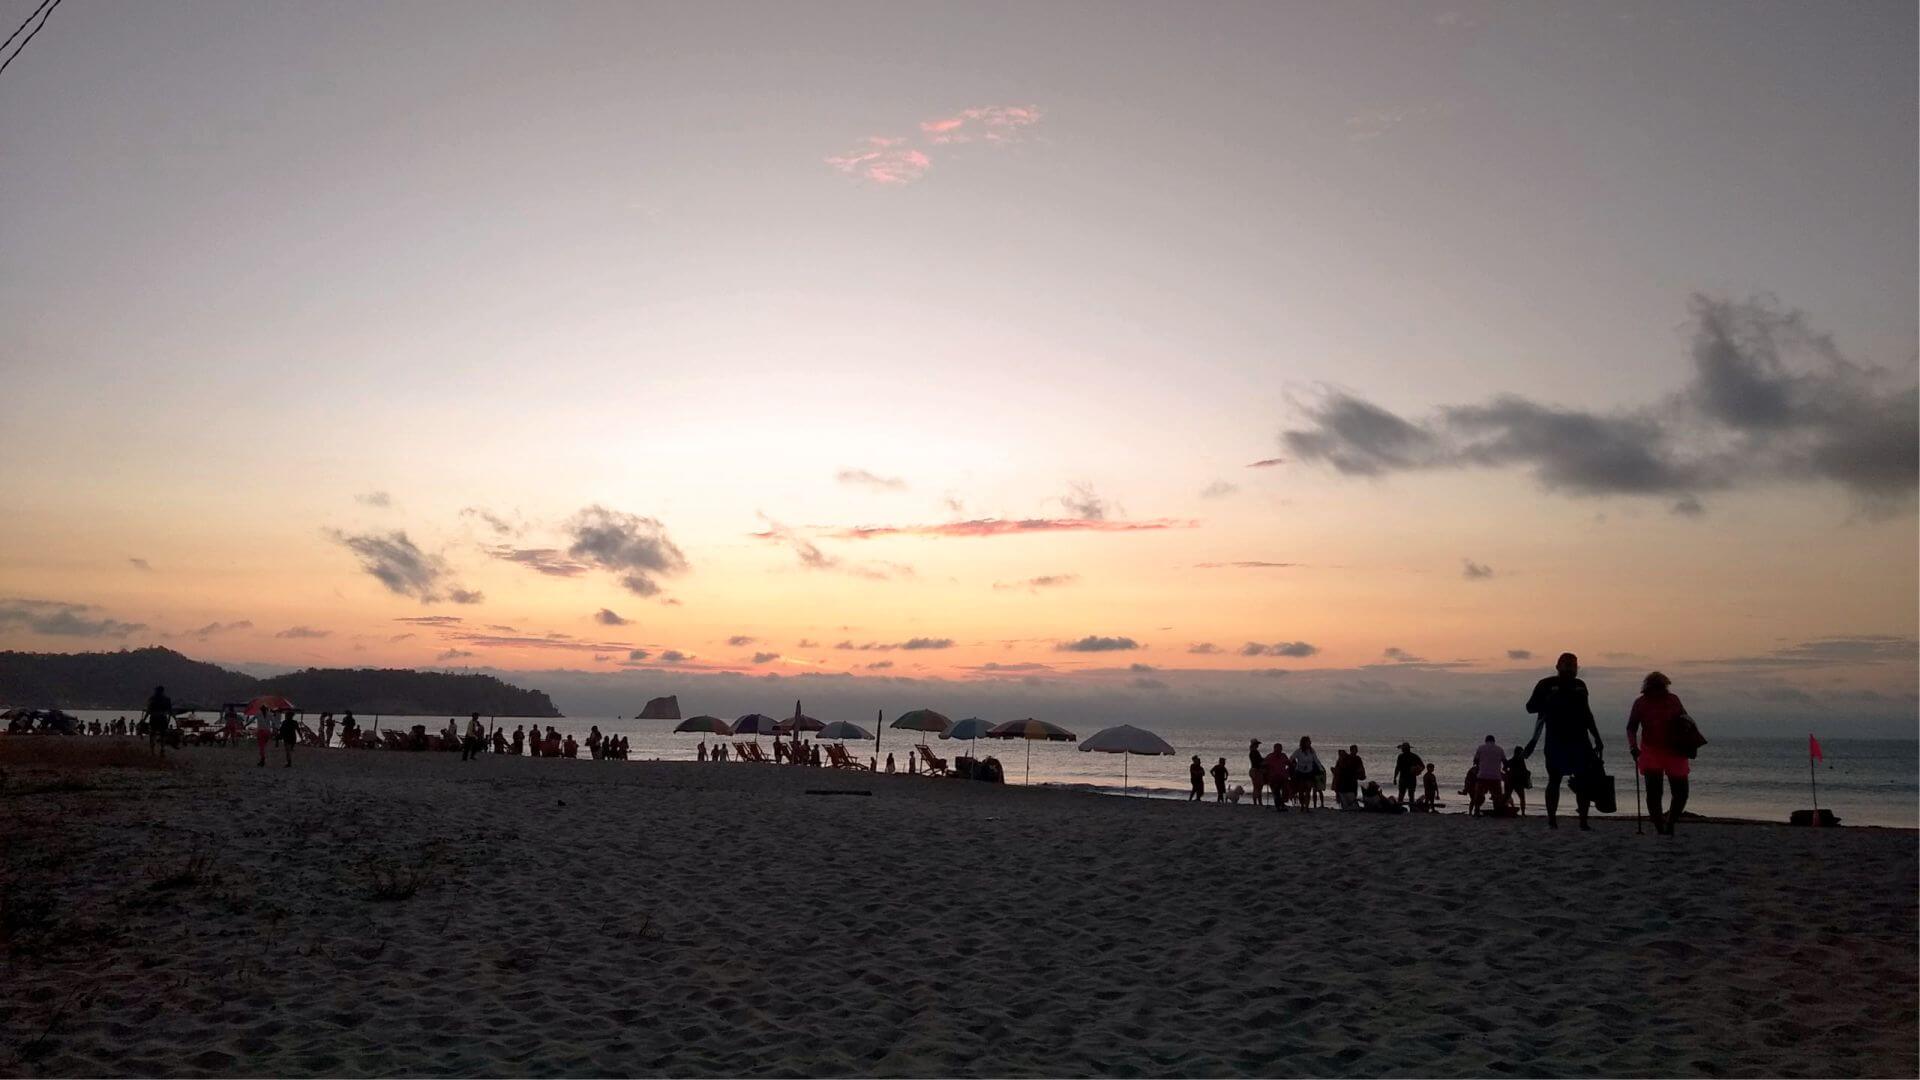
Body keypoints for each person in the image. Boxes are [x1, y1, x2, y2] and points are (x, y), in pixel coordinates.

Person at [1524, 652, 1605, 831]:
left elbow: (1587, 713)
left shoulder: (1580, 686)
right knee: (1554, 780)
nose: (1571, 668)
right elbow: (1530, 707)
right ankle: (1552, 821)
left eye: (1574, 665)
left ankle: (1583, 821)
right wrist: (1548, 701)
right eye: (1567, 664)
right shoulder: (1546, 684)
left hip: (1580, 740)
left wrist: (1597, 738)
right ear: (1558, 666)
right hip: (1556, 741)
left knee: (1583, 781)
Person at [1627, 671, 1694, 836]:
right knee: (1654, 793)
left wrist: (1687, 730)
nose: (1660, 690)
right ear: (1648, 688)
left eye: (1662, 687)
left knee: (1681, 792)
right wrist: (1633, 746)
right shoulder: (1641, 703)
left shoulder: (1673, 700)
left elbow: (1685, 719)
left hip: (1674, 750)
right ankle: (1659, 828)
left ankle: (1670, 822)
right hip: (1650, 750)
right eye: (1656, 687)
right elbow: (1631, 727)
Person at [1471, 735, 1508, 815]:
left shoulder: (1481, 748)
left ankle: (1476, 810)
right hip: (1496, 776)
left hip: (1482, 775)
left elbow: (1475, 761)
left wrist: (1478, 768)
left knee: (1479, 794)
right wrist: (1505, 770)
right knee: (1497, 796)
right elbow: (1505, 762)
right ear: (1494, 741)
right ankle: (1497, 810)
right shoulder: (1500, 749)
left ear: (1486, 741)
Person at [1289, 737, 1321, 812]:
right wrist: (1290, 765)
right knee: (1300, 791)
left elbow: (1316, 760)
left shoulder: (1312, 751)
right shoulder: (1298, 751)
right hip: (1300, 772)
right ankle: (1302, 806)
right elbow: (1291, 758)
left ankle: (1306, 807)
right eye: (1308, 742)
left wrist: (1320, 768)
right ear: (1304, 743)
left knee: (1308, 791)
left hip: (1309, 772)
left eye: (1310, 742)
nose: (1310, 743)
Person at [143, 685, 173, 756]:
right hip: (163, 718)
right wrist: (169, 720)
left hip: (154, 718)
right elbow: (170, 711)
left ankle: (153, 751)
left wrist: (144, 719)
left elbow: (148, 710)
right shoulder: (167, 699)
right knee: (162, 735)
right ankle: (162, 750)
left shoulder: (152, 699)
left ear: (156, 691)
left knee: (152, 734)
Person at [1264, 743, 1292, 812]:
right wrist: (1266, 773)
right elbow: (1263, 764)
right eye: (1277, 749)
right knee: (1276, 792)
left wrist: (1288, 771)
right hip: (1273, 778)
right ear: (1274, 749)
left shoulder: (1283, 756)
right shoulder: (1270, 756)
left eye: (1280, 749)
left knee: (1286, 791)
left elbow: (1289, 763)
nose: (1278, 750)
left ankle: (1282, 804)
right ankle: (1279, 807)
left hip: (1283, 777)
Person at [1506, 745, 1532, 815]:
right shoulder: (1521, 761)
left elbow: (1504, 768)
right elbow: (1524, 770)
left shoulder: (1511, 760)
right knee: (1522, 798)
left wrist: (1508, 773)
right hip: (1518, 782)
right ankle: (1523, 813)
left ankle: (1505, 808)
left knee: (1507, 796)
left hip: (1511, 781)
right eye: (1521, 752)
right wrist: (1527, 773)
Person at [1247, 739, 1267, 806]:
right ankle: (1258, 802)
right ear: (1254, 745)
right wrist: (1264, 762)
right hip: (1256, 771)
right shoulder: (1254, 752)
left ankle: (1256, 802)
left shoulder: (1253, 752)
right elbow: (1258, 762)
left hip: (1254, 770)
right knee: (1258, 787)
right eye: (1256, 744)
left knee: (1256, 787)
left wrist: (1264, 760)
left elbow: (1258, 761)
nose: (1258, 745)